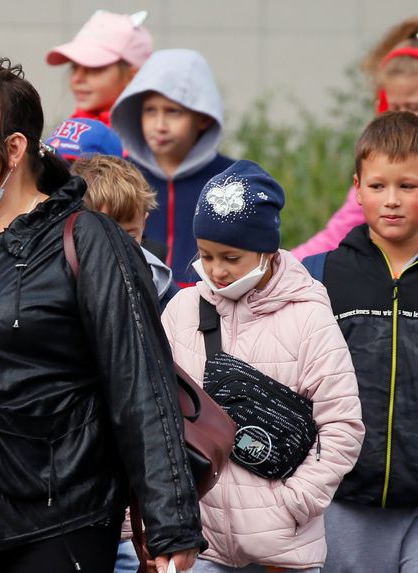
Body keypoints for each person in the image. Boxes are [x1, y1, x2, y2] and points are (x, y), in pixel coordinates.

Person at [0, 58, 204, 573]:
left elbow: (140, 383)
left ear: (13, 149)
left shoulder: (86, 240)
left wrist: (171, 521)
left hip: (54, 529)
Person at [161, 160, 364, 573]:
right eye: (205, 255)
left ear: (267, 252)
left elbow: (343, 426)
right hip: (200, 545)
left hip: (284, 551)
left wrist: (294, 505)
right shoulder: (181, 311)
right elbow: (155, 416)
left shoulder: (308, 316)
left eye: (231, 257)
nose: (216, 270)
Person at [303, 111, 418, 573]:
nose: (391, 200)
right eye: (377, 186)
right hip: (341, 500)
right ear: (357, 188)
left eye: (408, 186)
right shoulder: (318, 274)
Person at [292, 16, 418, 260]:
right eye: (394, 107)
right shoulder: (378, 168)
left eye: (413, 107)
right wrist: (283, 266)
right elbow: (338, 233)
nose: (403, 118)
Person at [111, 48, 235, 286]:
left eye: (173, 112)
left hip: (212, 306)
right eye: (150, 111)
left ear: (203, 117)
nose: (160, 125)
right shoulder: (121, 176)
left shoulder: (230, 179)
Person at [70, 153, 178, 310]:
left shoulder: (162, 289)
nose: (119, 247)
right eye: (105, 236)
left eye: (131, 236)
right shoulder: (58, 283)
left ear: (144, 222)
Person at [46, 10, 153, 126]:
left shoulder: (152, 135)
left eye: (93, 67)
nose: (76, 79)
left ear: (133, 75)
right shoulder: (72, 129)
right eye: (74, 67)